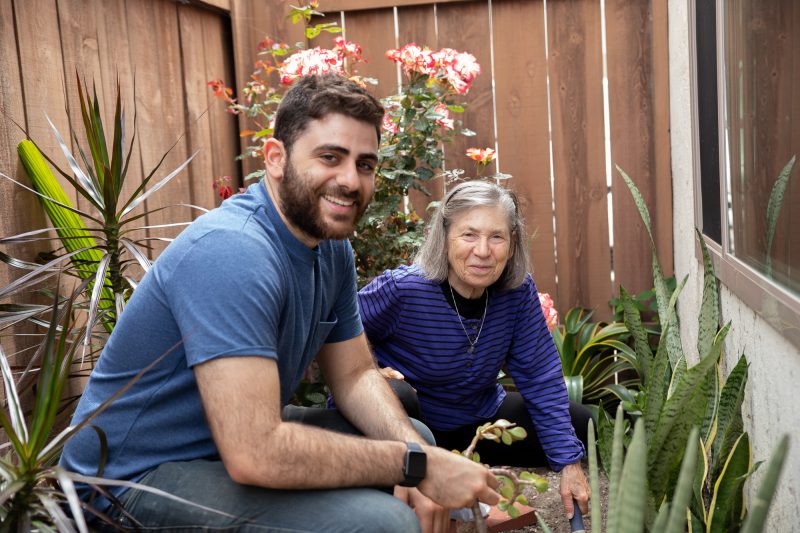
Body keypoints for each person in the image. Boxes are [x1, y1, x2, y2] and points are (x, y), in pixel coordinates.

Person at [60, 74, 500, 533]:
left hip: (221, 445)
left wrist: (418, 456)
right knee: (383, 520)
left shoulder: (331, 248)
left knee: (417, 440)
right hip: (123, 484)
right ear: (275, 158)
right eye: (330, 157)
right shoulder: (234, 252)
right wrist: (420, 468)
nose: (350, 180)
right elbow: (256, 454)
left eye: (365, 164)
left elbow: (353, 376)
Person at [358, 180, 592, 520]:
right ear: (445, 237)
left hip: (476, 419)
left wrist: (569, 464)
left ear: (512, 245)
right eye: (469, 235)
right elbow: (340, 326)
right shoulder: (403, 289)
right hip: (410, 427)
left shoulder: (516, 292)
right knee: (395, 393)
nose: (483, 251)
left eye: (496, 237)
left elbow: (540, 375)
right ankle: (409, 491)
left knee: (579, 423)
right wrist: (367, 369)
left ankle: (459, 471)